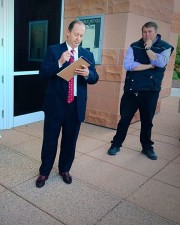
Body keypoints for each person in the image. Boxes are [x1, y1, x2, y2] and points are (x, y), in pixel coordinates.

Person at [36, 20, 99, 188]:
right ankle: (44, 172)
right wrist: (59, 63)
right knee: (50, 140)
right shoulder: (54, 50)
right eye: (76, 34)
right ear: (68, 32)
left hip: (75, 105)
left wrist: (87, 73)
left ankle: (64, 169)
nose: (78, 38)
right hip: (55, 104)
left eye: (81, 35)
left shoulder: (87, 55)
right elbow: (42, 73)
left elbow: (95, 78)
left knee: (70, 141)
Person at [107, 21, 174, 160]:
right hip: (132, 90)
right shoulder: (134, 45)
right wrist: (149, 66)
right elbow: (128, 65)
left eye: (149, 32)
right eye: (144, 32)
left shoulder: (166, 47)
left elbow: (160, 63)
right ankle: (116, 144)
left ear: (156, 32)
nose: (146, 34)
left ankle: (147, 147)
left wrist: (149, 50)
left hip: (150, 91)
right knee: (124, 120)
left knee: (147, 121)